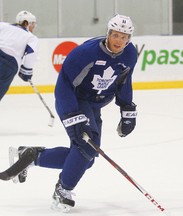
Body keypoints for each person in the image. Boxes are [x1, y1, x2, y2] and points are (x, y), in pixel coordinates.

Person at [8, 14, 138, 213]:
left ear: (129, 38)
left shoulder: (130, 54)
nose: (119, 40)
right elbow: (64, 85)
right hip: (74, 101)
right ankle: (63, 190)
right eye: (115, 35)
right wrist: (73, 115)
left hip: (95, 104)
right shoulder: (85, 53)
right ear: (108, 33)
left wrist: (127, 109)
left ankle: (32, 156)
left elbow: (123, 81)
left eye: (124, 36)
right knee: (86, 147)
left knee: (88, 156)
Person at [0, 10, 38, 101]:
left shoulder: (2, 25)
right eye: (32, 24)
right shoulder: (31, 37)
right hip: (8, 65)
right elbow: (31, 54)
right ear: (26, 23)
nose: (33, 27)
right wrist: (26, 72)